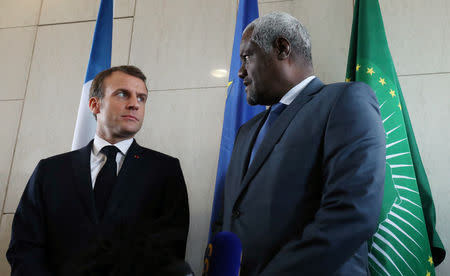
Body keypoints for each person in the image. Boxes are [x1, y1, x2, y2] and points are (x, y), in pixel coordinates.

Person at [213, 12, 386, 275]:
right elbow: (229, 217)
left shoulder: (345, 102)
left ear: (282, 49)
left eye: (247, 57)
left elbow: (350, 214)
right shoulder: (245, 132)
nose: (239, 72)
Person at [7, 65, 191, 275]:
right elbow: (24, 246)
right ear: (95, 105)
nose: (134, 104)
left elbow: (170, 251)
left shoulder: (165, 170)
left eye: (141, 98)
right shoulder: (50, 170)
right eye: (123, 94)